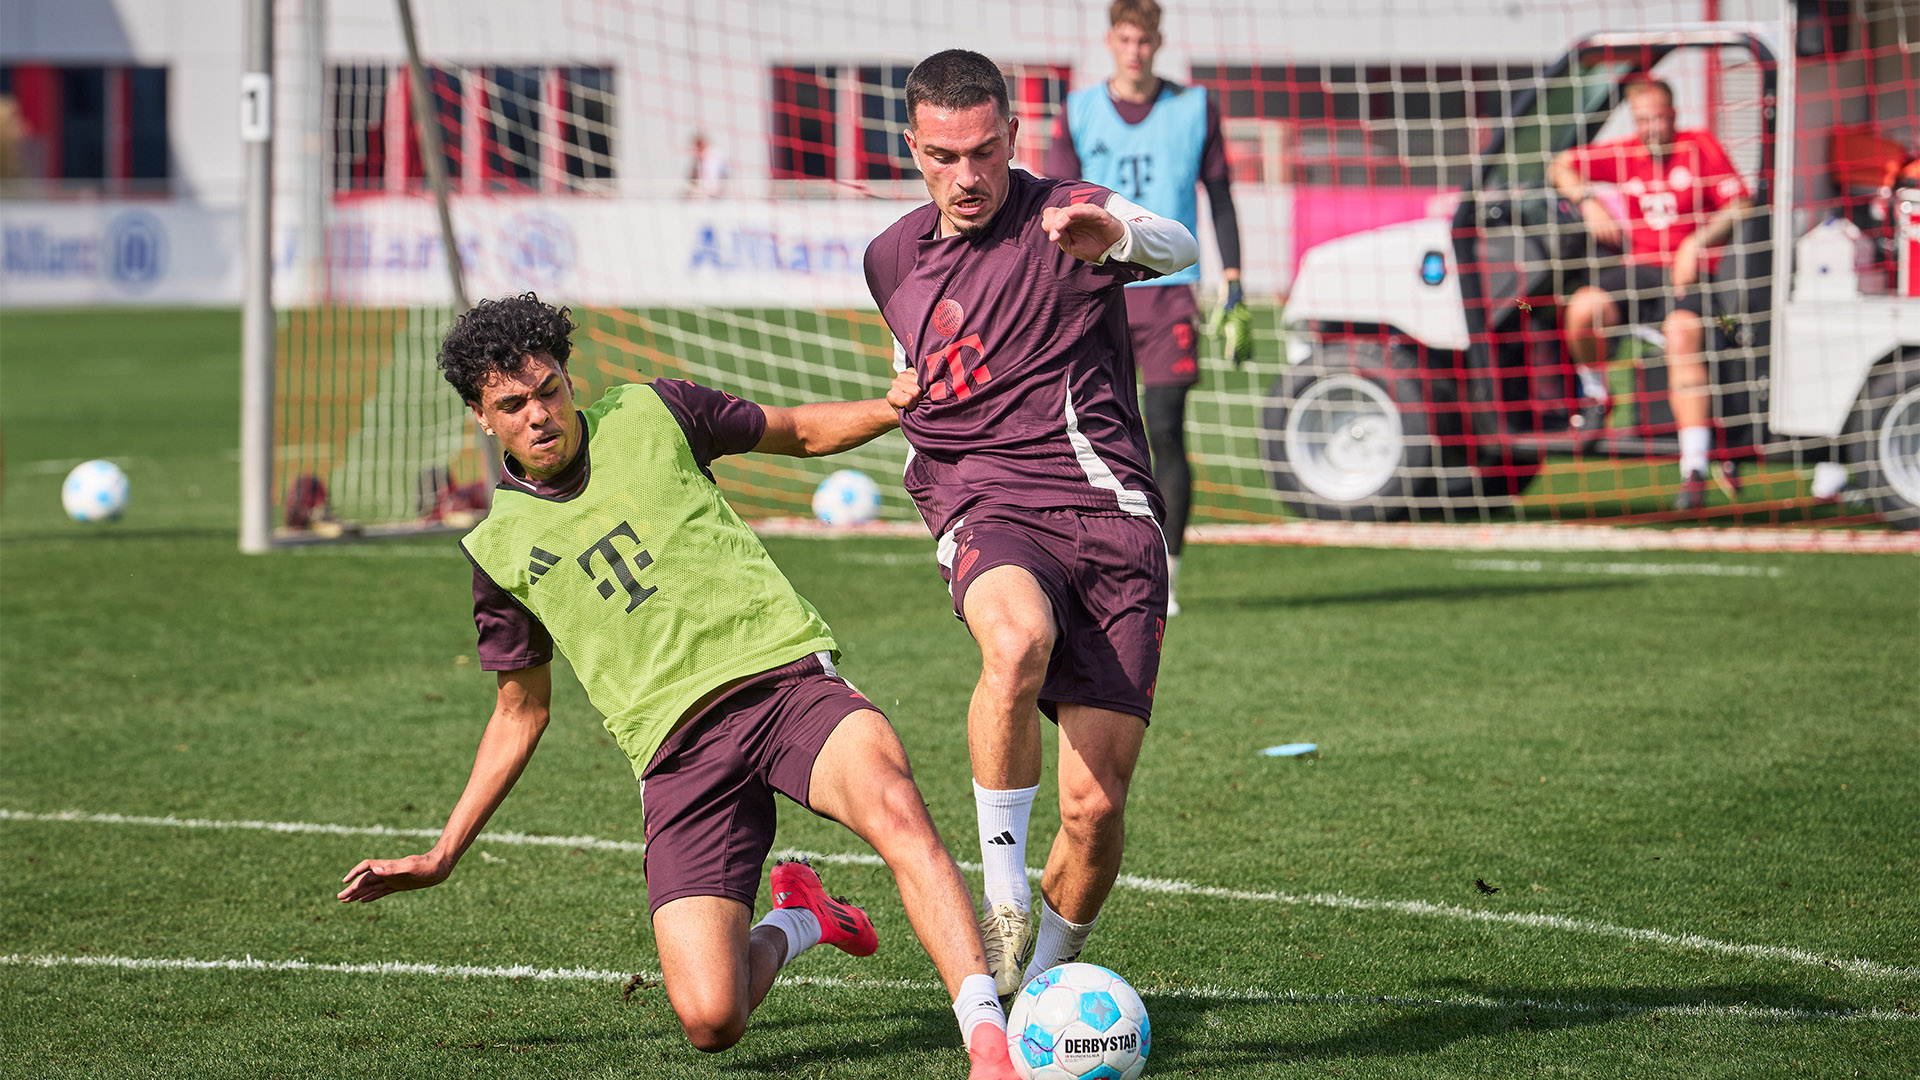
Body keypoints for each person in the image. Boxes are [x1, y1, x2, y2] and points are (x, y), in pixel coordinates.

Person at [336, 294, 1020, 1080]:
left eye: (549, 390)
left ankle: (988, 1042)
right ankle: (801, 918)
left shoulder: (653, 411)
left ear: (568, 376)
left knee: (898, 812)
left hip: (783, 683)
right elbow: (520, 713)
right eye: (512, 405)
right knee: (711, 1019)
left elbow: (794, 432)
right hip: (677, 758)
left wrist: (893, 406)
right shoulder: (497, 548)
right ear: (481, 417)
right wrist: (444, 851)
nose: (539, 416)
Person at [863, 49, 1198, 999]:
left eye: (982, 151)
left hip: (1112, 517)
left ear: (1012, 134)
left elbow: (1174, 246)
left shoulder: (1066, 212)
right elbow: (917, 345)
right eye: (942, 155)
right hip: (984, 500)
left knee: (1095, 812)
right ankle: (1002, 889)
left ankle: (1036, 989)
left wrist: (1113, 236)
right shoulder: (888, 256)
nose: (966, 177)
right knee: (1015, 642)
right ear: (914, 148)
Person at [1044, 0, 1246, 615]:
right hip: (1096, 293)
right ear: (1111, 41)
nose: (1135, 50)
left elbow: (1221, 196)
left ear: (1158, 43)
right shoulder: (1077, 110)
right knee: (1095, 433)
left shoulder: (1195, 107)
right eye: (1126, 39)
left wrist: (1233, 279)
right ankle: (1093, 564)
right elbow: (1054, 202)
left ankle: (1170, 572)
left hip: (1169, 294)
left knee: (1162, 428)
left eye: (1145, 40)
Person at [1549, 75, 1752, 510]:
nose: (1650, 127)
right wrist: (1587, 200)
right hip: (1637, 269)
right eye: (1642, 119)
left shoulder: (1698, 146)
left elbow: (1740, 203)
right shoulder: (1623, 153)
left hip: (1688, 276)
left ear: (1673, 115)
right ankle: (1597, 394)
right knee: (1581, 307)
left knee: (1682, 335)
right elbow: (1559, 164)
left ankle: (1693, 467)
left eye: (1658, 118)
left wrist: (1696, 242)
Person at [687, 132, 731, 197]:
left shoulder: (716, 153)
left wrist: (722, 188)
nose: (697, 148)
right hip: (703, 193)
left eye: (699, 145)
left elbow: (725, 172)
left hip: (716, 192)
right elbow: (693, 176)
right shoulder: (697, 158)